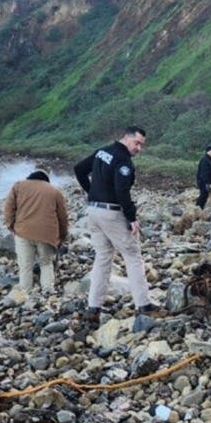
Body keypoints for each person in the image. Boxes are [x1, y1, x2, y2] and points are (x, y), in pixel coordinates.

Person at [73, 126, 161, 319]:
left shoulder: (102, 151)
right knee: (132, 255)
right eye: (137, 143)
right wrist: (131, 218)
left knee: (103, 256)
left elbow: (79, 169)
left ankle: (93, 307)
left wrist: (92, 192)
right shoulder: (123, 160)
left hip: (93, 211)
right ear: (126, 138)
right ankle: (144, 305)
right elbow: (122, 191)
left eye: (142, 145)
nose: (139, 148)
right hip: (111, 212)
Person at [3, 169, 69, 294]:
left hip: (23, 232)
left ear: (30, 178)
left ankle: (25, 292)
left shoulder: (18, 186)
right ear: (46, 180)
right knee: (46, 263)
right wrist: (62, 235)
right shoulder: (55, 191)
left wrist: (11, 225)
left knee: (25, 265)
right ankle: (48, 290)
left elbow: (8, 208)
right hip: (47, 235)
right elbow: (63, 217)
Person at [196, 144, 211, 210]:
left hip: (207, 182)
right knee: (203, 195)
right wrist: (207, 183)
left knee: (205, 196)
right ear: (209, 152)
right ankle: (197, 208)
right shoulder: (205, 160)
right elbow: (203, 173)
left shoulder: (210, 160)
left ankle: (200, 209)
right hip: (202, 181)